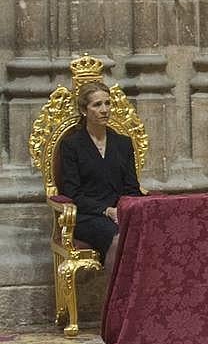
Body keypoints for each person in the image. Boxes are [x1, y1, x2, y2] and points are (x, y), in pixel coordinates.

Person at [57, 82, 144, 259]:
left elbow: (132, 188)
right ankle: (117, 287)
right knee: (119, 238)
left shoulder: (123, 143)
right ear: (84, 110)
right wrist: (106, 210)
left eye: (107, 103)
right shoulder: (71, 145)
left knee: (150, 233)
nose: (104, 109)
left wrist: (122, 211)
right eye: (97, 105)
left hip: (121, 212)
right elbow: (73, 192)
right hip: (88, 215)